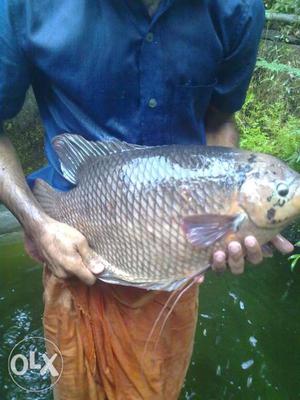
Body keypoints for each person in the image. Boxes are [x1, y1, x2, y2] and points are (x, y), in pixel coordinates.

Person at [0, 1, 294, 399]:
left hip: (172, 267)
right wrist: (37, 222)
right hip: (68, 243)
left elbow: (219, 120)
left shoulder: (236, 10)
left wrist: (239, 222)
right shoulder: (25, 7)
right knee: (71, 387)